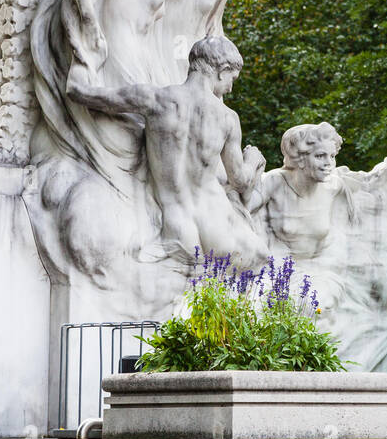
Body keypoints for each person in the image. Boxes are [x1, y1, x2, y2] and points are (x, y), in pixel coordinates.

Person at [66, 36, 268, 266]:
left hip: (178, 226)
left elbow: (80, 93)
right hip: (217, 226)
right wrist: (253, 159)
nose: (230, 88)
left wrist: (80, 53)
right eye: (233, 79)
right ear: (222, 70)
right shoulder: (228, 118)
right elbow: (241, 181)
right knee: (263, 261)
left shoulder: (155, 99)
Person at [255, 122, 353, 259]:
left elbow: (346, 235)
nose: (329, 163)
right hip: (276, 267)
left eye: (332, 156)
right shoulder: (274, 182)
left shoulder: (335, 187)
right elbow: (243, 210)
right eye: (320, 156)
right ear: (300, 158)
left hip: (322, 269)